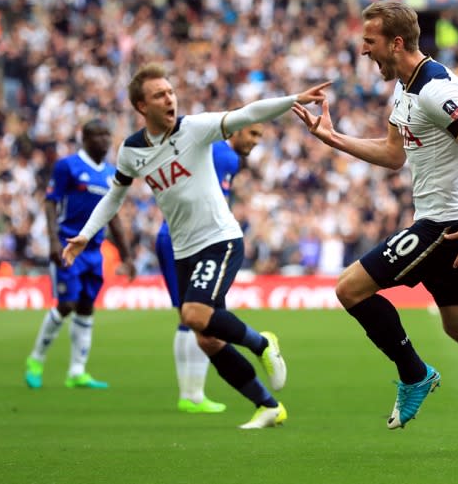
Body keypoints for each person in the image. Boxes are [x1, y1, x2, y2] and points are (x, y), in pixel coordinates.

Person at [292, 0, 458, 453]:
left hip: (445, 226)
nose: (363, 50)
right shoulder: (405, 87)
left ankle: (414, 374)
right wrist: (333, 139)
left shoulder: (435, 88)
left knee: (350, 288)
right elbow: (394, 156)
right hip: (441, 221)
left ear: (395, 42)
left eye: (369, 41)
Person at [62, 63, 330, 428]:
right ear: (142, 107)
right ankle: (268, 406)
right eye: (160, 95)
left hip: (220, 241)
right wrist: (87, 233)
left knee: (193, 316)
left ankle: (262, 344)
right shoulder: (131, 151)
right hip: (183, 251)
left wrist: (293, 100)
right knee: (206, 339)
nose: (170, 98)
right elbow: (114, 195)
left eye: (171, 92)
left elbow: (248, 113)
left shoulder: (195, 129)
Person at [156, 123, 264, 414]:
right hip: (194, 241)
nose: (255, 142)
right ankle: (195, 394)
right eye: (252, 134)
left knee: (189, 317)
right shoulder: (222, 154)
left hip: (173, 237)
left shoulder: (218, 153)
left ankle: (190, 394)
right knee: (202, 317)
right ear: (235, 130)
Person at [25, 119, 136, 390]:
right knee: (66, 304)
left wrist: (126, 256)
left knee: (86, 306)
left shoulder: (112, 173)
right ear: (85, 139)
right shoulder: (68, 166)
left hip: (94, 250)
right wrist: (52, 241)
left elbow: (114, 219)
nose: (104, 140)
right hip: (67, 244)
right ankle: (36, 359)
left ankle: (77, 371)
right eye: (98, 135)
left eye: (107, 135)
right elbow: (51, 203)